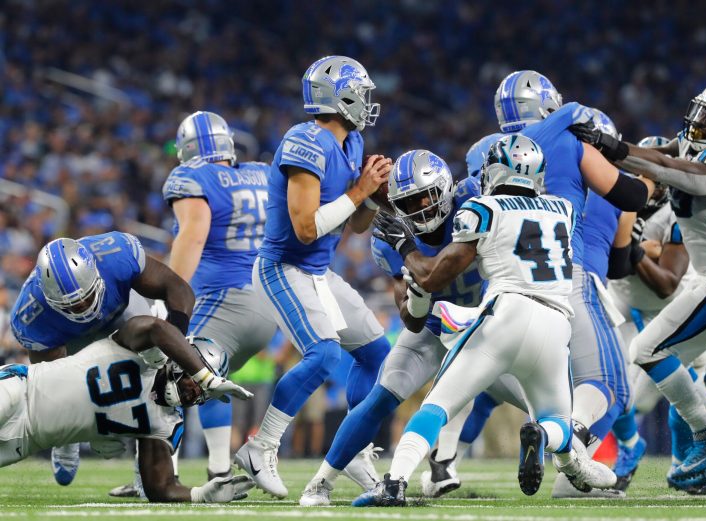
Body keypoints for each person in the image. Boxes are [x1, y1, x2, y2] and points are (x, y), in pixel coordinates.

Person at [353, 135, 616, 507]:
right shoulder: (563, 208)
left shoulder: (482, 208)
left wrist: (405, 247)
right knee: (558, 419)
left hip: (505, 314)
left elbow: (431, 278)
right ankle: (547, 440)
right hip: (557, 325)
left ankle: (394, 482)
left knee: (437, 405)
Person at [570, 79, 706, 490]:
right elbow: (662, 154)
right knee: (662, 359)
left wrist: (616, 149)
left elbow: (676, 171)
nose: (698, 122)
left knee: (648, 349)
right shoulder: (699, 146)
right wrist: (608, 146)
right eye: (700, 111)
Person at [234, 56, 392, 498]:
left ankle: (356, 448)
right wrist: (359, 190)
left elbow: (355, 225)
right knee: (322, 355)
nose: (367, 101)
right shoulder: (303, 141)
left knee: (378, 354)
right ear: (339, 97)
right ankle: (260, 446)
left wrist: (373, 197)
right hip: (283, 267)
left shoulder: (353, 142)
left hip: (318, 271)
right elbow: (305, 227)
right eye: (360, 92)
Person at [299, 149, 488, 506]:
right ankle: (320, 482)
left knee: (535, 390)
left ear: (445, 187)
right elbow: (411, 319)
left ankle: (572, 460)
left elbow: (433, 271)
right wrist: (415, 302)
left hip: (487, 325)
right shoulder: (387, 238)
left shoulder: (473, 201)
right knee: (381, 397)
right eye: (408, 202)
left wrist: (407, 251)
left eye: (425, 196)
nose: (419, 209)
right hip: (434, 329)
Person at [0, 315, 254, 503]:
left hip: (24, 441)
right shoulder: (144, 351)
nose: (196, 392)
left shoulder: (166, 422)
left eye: (205, 393)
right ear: (184, 359)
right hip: (21, 390)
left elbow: (160, 487)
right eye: (197, 381)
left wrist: (201, 494)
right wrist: (206, 377)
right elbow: (156, 327)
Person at [10, 234, 194, 486]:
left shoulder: (116, 255)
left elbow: (178, 288)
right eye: (73, 305)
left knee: (156, 377)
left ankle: (149, 468)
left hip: (122, 316)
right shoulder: (32, 315)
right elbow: (53, 388)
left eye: (86, 296)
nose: (85, 307)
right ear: (50, 299)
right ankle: (66, 442)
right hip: (71, 341)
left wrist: (175, 341)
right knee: (58, 396)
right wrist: (83, 423)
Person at [163, 111, 277, 481]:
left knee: (170, 372)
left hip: (225, 297)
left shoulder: (192, 177)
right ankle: (218, 467)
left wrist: (169, 295)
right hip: (269, 302)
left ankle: (161, 472)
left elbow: (193, 235)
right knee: (212, 372)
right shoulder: (262, 172)